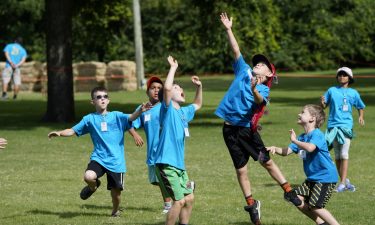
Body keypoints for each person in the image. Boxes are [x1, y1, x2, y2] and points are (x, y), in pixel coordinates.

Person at [215, 12, 301, 225]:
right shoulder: (243, 71)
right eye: (258, 63)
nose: (258, 64)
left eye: (262, 65)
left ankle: (288, 190)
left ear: (270, 74)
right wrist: (228, 29)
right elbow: (236, 50)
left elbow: (260, 100)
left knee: (266, 162)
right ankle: (252, 204)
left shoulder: (263, 87)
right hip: (229, 131)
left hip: (246, 132)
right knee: (241, 169)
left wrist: (254, 89)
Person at [48, 86, 150, 217]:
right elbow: (72, 130)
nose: (102, 99)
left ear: (108, 100)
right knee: (88, 176)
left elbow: (131, 117)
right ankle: (93, 187)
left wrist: (140, 111)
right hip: (99, 158)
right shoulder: (89, 119)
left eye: (105, 97)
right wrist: (59, 133)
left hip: (116, 161)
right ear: (93, 102)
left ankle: (115, 211)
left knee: (116, 193)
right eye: (99, 97)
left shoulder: (117, 116)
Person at [267, 104, 340, 225]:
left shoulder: (317, 134)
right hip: (312, 178)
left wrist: (295, 141)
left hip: (325, 177)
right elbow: (287, 152)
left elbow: (310, 148)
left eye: (303, 112)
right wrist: (274, 148)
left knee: (316, 206)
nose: (299, 114)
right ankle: (321, 223)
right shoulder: (302, 137)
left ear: (312, 118)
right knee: (295, 198)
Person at [154, 56, 202, 225]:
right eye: (177, 87)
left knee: (189, 198)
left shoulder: (183, 112)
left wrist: (199, 88)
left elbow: (197, 104)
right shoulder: (166, 110)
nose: (180, 88)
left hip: (179, 166)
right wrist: (173, 67)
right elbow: (166, 88)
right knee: (179, 201)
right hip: (166, 164)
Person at [128, 76, 173, 214]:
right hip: (152, 152)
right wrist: (135, 134)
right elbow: (128, 122)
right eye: (153, 88)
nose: (156, 90)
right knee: (156, 180)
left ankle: (169, 205)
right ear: (147, 91)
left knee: (165, 178)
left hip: (167, 150)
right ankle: (186, 188)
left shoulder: (166, 105)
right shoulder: (143, 108)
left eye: (159, 88)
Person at [321, 67, 365, 192]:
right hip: (333, 126)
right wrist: (322, 103)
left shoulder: (354, 93)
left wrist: (361, 117)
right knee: (337, 155)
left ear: (349, 78)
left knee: (344, 154)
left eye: (344, 75)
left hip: (346, 126)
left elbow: (360, 106)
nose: (342, 77)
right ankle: (345, 182)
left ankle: (341, 183)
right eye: (339, 75)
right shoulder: (332, 90)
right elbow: (324, 107)